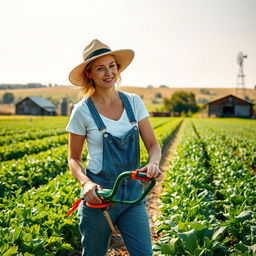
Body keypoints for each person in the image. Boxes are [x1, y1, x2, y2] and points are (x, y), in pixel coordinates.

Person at [66, 39, 161, 256]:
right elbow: (73, 159)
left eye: (112, 66)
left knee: (144, 253)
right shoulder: (82, 111)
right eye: (100, 68)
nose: (109, 73)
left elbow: (154, 144)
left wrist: (153, 162)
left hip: (133, 195)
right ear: (89, 74)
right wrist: (86, 183)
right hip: (100, 196)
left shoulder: (133, 102)